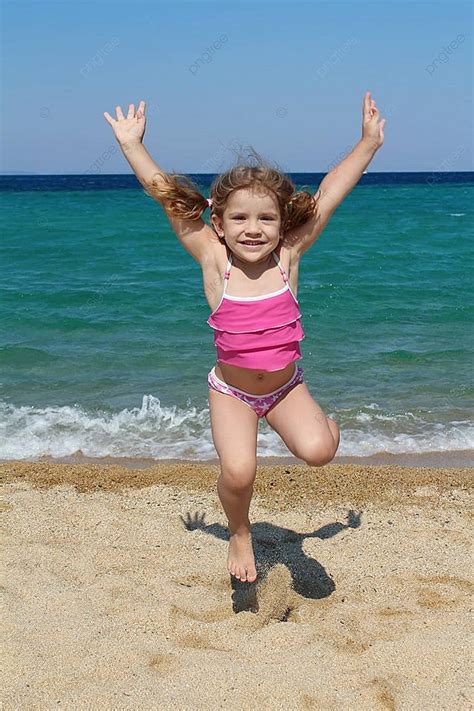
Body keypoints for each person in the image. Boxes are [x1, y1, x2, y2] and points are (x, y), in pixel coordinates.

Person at [103, 92, 385, 583]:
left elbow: (332, 192)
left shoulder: (289, 257)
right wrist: (132, 145)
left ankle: (326, 427)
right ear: (219, 223)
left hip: (284, 388)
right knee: (239, 474)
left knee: (320, 452)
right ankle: (239, 531)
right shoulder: (216, 264)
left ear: (282, 224)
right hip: (232, 392)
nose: (253, 229)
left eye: (266, 218)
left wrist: (367, 143)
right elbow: (169, 197)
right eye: (239, 218)